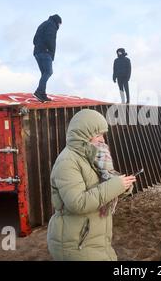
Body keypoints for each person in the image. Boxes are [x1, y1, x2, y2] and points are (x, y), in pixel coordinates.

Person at [47, 109, 136, 260]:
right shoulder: (67, 162)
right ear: (84, 135)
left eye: (103, 135)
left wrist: (123, 186)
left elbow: (105, 184)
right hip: (76, 243)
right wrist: (115, 186)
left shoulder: (96, 157)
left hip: (95, 240)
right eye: (98, 135)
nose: (102, 139)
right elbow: (78, 203)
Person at [33, 14, 62, 102]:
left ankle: (42, 94)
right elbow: (50, 38)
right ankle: (39, 92)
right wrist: (50, 50)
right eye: (60, 24)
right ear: (57, 22)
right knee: (49, 72)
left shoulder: (43, 24)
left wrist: (39, 46)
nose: (59, 26)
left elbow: (34, 40)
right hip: (45, 52)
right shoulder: (52, 25)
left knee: (44, 73)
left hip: (37, 52)